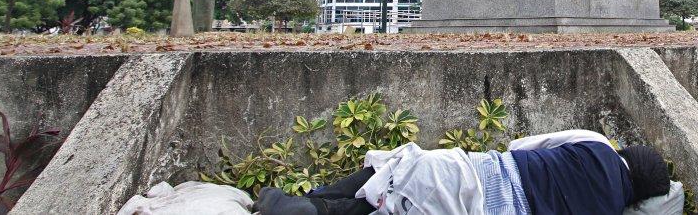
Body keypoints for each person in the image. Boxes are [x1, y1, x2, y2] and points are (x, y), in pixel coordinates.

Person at [254, 129, 670, 215]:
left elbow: (518, 147)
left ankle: (313, 205)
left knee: (400, 166)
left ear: (627, 155)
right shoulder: (611, 209)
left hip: (485, 174)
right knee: (401, 203)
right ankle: (315, 210)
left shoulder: (596, 143)